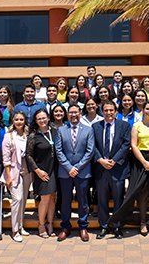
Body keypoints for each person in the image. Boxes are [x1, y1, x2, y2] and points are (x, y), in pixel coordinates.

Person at [110, 101, 149, 237]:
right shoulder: (136, 126)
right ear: (143, 110)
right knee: (142, 192)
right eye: (147, 109)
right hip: (140, 159)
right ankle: (142, 222)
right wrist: (144, 162)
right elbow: (134, 145)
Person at [92, 101, 131, 239]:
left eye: (111, 110)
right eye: (106, 110)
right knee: (102, 199)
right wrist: (101, 160)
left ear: (115, 111)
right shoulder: (95, 126)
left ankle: (117, 226)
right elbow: (92, 146)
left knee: (118, 199)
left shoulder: (124, 126)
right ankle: (103, 226)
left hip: (117, 168)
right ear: (102, 112)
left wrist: (114, 160)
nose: (109, 113)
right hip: (101, 168)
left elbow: (126, 144)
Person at [55, 104, 95, 242]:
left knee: (83, 201)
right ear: (67, 115)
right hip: (65, 173)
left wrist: (76, 167)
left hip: (82, 172)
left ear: (80, 114)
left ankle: (83, 227)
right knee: (65, 201)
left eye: (76, 112)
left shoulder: (88, 130)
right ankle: (65, 227)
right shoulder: (61, 130)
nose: (73, 115)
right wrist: (68, 167)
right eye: (71, 113)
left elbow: (90, 151)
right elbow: (58, 151)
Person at [27, 109, 58, 239]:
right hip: (42, 171)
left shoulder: (55, 132)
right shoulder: (34, 136)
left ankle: (50, 224)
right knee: (44, 198)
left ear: (48, 118)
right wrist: (37, 171)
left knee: (52, 197)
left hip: (54, 169)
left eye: (44, 118)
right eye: (39, 119)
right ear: (35, 120)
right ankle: (41, 225)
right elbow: (28, 155)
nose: (42, 120)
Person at [2, 111, 32, 242]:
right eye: (16, 119)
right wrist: (8, 176)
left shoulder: (28, 135)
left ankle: (20, 226)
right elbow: (6, 158)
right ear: (13, 121)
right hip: (13, 170)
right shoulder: (9, 136)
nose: (19, 122)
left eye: (21, 119)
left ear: (25, 121)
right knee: (17, 199)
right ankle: (14, 231)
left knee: (24, 199)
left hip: (27, 169)